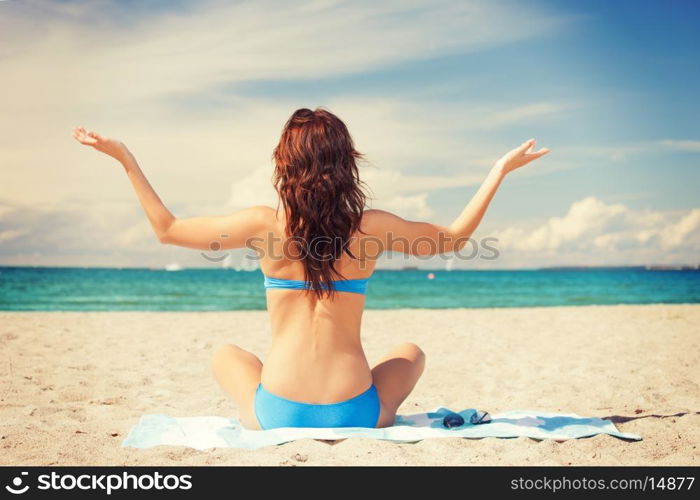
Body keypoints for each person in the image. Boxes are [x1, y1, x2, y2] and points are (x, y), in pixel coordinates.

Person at [72, 107, 549, 430]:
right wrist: (499, 171)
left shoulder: (262, 225)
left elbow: (168, 229)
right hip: (357, 411)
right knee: (411, 352)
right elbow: (454, 239)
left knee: (227, 355)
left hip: (276, 411)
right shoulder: (373, 228)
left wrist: (126, 160)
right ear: (347, 164)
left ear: (285, 163)